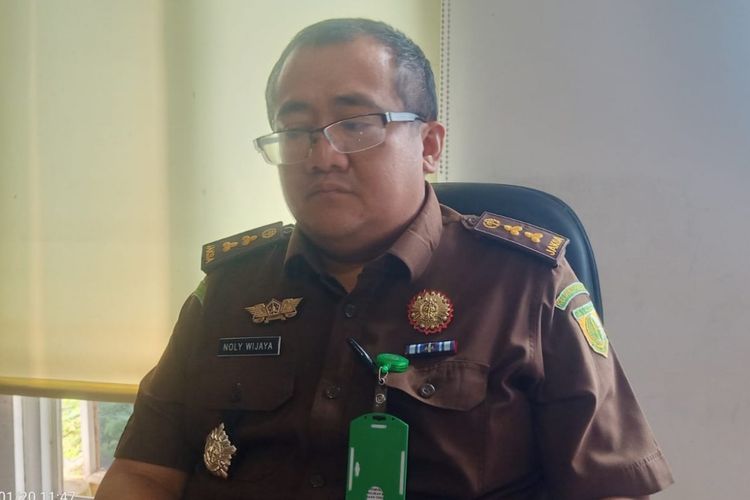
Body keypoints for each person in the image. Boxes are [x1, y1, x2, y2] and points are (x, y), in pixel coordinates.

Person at [96, 18, 673, 500]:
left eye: (355, 125)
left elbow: (612, 489)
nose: (322, 156)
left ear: (429, 146)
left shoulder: (526, 286)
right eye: (295, 130)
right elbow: (143, 473)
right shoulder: (229, 290)